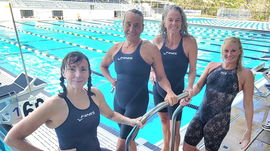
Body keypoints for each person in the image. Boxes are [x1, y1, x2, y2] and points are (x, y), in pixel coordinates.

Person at [4, 51, 142, 151]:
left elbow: (111, 115)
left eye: (83, 69)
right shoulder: (54, 104)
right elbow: (12, 139)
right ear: (63, 72)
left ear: (89, 73)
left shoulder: (95, 94)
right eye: (72, 69)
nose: (78, 75)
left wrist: (131, 121)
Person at [100, 9, 178, 151]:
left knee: (121, 144)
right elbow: (103, 66)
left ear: (142, 27)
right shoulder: (116, 49)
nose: (132, 29)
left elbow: (161, 76)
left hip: (137, 103)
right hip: (118, 103)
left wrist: (169, 91)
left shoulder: (150, 49)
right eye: (128, 24)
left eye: (136, 25)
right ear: (123, 24)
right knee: (130, 139)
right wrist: (112, 80)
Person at [183, 37, 254, 151]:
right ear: (222, 51)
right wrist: (189, 95)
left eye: (233, 51)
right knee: (187, 148)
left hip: (219, 121)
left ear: (240, 51)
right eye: (226, 51)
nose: (229, 54)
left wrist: (248, 131)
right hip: (200, 115)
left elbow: (248, 104)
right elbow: (198, 86)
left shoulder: (245, 74)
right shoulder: (212, 66)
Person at [150, 5, 198, 151]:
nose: (174, 23)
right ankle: (166, 148)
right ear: (164, 21)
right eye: (170, 20)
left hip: (176, 92)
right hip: (158, 90)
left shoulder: (189, 42)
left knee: (175, 129)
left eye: (177, 20)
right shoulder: (157, 40)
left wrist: (189, 87)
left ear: (182, 22)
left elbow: (193, 70)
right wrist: (152, 72)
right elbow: (153, 64)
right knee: (164, 124)